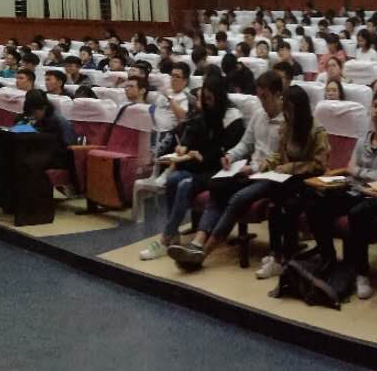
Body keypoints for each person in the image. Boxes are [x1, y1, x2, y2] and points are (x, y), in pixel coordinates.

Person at [170, 71, 286, 270]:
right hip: (251, 171)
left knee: (238, 198)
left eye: (265, 97)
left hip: (271, 176)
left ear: (277, 95)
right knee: (217, 186)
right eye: (259, 97)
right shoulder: (259, 115)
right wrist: (230, 156)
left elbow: (281, 157)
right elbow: (245, 144)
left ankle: (203, 253)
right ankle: (197, 243)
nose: (262, 102)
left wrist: (253, 167)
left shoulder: (287, 120)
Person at [304, 88, 377, 298]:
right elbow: (351, 168)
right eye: (375, 106)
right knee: (315, 201)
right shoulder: (363, 139)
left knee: (358, 213)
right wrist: (356, 173)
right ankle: (329, 258)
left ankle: (361, 273)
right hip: (354, 189)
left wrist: (358, 172)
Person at [137, 78, 245, 261]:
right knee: (173, 179)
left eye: (209, 99)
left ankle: (165, 238)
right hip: (199, 166)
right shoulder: (206, 113)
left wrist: (203, 156)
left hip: (218, 169)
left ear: (218, 97)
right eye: (204, 99)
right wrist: (185, 145)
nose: (206, 103)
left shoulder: (232, 117)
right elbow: (191, 129)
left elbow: (227, 149)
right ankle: (173, 234)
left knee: (184, 184)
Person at [257, 87, 333, 275]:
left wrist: (291, 167)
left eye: (290, 110)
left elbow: (319, 165)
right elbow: (280, 154)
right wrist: (269, 162)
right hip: (289, 179)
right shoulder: (287, 126)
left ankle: (285, 256)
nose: (287, 114)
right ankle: (277, 254)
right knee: (274, 204)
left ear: (300, 109)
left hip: (309, 182)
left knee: (288, 205)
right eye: (286, 110)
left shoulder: (316, 131)